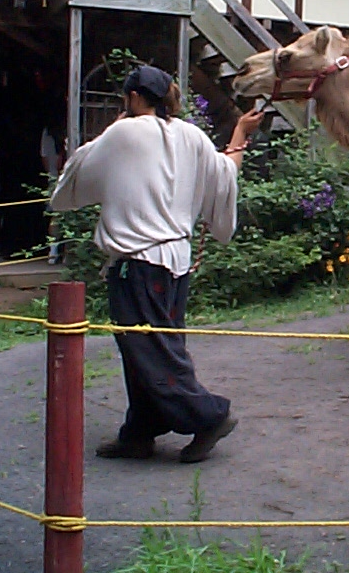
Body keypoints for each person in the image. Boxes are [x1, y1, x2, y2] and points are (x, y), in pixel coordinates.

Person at [51, 65, 263, 464]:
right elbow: (224, 174)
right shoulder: (191, 135)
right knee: (152, 349)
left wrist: (115, 127)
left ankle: (209, 416)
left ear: (133, 97)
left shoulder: (123, 133)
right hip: (175, 262)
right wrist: (240, 133)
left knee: (151, 352)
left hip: (139, 262)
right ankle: (140, 431)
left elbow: (77, 171)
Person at [40, 124, 64, 264]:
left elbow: (44, 157)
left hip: (54, 179)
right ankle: (56, 251)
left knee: (54, 216)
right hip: (63, 177)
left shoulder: (47, 132)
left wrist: (50, 172)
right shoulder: (57, 132)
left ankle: (53, 251)